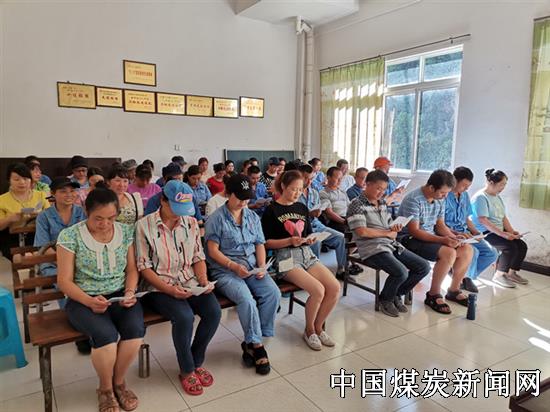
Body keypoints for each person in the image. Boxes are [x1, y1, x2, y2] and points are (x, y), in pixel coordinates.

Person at [57, 186, 145, 412]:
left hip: (119, 295)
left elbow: (132, 270)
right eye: (98, 218)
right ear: (86, 211)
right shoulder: (70, 236)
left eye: (111, 218)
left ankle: (119, 383)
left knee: (135, 331)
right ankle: (105, 389)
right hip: (82, 299)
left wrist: (129, 292)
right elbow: (64, 281)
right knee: (106, 336)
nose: (105, 224)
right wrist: (89, 301)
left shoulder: (125, 231)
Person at [136, 180, 221, 396]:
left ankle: (196, 360)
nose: (179, 215)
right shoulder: (144, 225)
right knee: (184, 317)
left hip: (188, 281)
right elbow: (144, 268)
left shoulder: (190, 223)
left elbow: (198, 257)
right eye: (175, 209)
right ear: (162, 201)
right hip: (157, 287)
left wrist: (203, 281)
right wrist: (169, 290)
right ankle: (187, 369)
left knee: (213, 311)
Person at [205, 174, 280, 375]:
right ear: (228, 194)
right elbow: (212, 251)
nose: (244, 202)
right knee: (247, 300)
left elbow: (259, 243)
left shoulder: (252, 216)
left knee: (273, 293)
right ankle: (257, 346)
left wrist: (262, 266)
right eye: (240, 198)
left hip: (252, 267)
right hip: (226, 271)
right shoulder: (216, 219)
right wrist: (233, 266)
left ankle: (252, 339)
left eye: (247, 198)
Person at [261, 170, 340, 351]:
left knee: (334, 287)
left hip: (305, 253)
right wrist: (290, 241)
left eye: (300, 189)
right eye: (293, 189)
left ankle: (319, 328)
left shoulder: (302, 207)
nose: (297, 193)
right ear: (283, 186)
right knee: (318, 290)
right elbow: (266, 243)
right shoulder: (271, 210)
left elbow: (307, 234)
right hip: (284, 258)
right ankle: (309, 330)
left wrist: (310, 239)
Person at [347, 170, 431, 317]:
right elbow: (362, 232)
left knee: (423, 267)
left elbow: (389, 227)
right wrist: (387, 233)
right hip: (371, 249)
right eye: (378, 188)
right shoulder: (356, 204)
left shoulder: (382, 203)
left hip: (390, 245)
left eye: (384, 189)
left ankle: (396, 293)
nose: (381, 192)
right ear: (367, 184)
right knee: (401, 272)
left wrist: (395, 228)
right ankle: (385, 299)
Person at [398, 170, 473, 314]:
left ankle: (453, 290)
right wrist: (444, 240)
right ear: (431, 187)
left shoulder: (440, 199)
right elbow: (414, 231)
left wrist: (454, 237)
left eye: (446, 193)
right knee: (449, 253)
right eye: (443, 193)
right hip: (409, 239)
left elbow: (440, 225)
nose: (445, 196)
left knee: (466, 249)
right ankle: (433, 294)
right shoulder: (413, 199)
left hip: (430, 237)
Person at [471, 169, 529, 287]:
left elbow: (503, 217)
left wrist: (511, 231)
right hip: (485, 232)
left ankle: (512, 273)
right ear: (491, 182)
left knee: (522, 245)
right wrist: (504, 234)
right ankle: (499, 275)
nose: (503, 188)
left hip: (498, 231)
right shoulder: (481, 197)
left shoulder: (497, 197)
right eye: (501, 184)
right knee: (509, 247)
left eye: (505, 184)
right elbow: (483, 220)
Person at [444, 167, 499, 293]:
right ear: (454, 181)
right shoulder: (444, 196)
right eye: (464, 185)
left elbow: (467, 218)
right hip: (451, 234)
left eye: (468, 186)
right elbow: (440, 224)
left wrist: (476, 232)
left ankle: (462, 275)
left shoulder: (464, 196)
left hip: (466, 233)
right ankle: (465, 278)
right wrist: (457, 234)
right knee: (473, 251)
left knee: (492, 253)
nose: (466, 189)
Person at [298, 164, 348, 278]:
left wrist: (318, 212)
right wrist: (309, 214)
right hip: (303, 228)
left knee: (340, 237)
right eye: (305, 178)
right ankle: (314, 273)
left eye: (311, 178)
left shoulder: (314, 193)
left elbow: (318, 209)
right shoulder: (295, 194)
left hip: (317, 225)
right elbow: (294, 216)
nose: (309, 181)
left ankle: (342, 269)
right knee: (316, 241)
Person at [0, 163, 50, 258]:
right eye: (16, 179)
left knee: (45, 255)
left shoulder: (41, 195)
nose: (22, 182)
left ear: (31, 180)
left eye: (26, 179)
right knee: (26, 257)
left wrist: (40, 215)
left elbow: (50, 216)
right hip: (11, 239)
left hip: (38, 235)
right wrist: (9, 219)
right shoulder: (2, 200)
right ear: (9, 180)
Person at [320, 166, 350, 233]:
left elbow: (350, 207)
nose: (340, 181)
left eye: (341, 178)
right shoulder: (324, 193)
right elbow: (329, 213)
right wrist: (344, 222)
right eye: (337, 178)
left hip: (347, 219)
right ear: (328, 177)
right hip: (335, 221)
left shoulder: (343, 192)